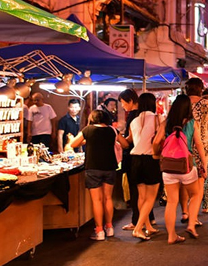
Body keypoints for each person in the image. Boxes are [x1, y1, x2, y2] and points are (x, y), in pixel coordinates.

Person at [68, 111, 128, 241]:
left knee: (97, 200)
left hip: (93, 168)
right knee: (108, 198)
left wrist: (85, 141)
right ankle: (110, 228)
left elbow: (73, 144)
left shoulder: (88, 130)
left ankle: (99, 231)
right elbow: (125, 144)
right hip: (110, 167)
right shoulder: (112, 130)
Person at [156, 95, 208, 244]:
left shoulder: (165, 123)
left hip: (168, 166)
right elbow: (199, 144)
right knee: (196, 194)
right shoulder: (192, 123)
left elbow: (157, 141)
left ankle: (171, 235)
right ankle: (191, 224)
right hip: (185, 166)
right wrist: (203, 165)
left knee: (172, 202)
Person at [126, 93, 162, 240]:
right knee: (150, 197)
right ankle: (139, 227)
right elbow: (159, 140)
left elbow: (131, 140)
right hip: (150, 159)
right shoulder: (158, 119)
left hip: (134, 160)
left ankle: (148, 226)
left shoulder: (134, 121)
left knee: (142, 196)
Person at [117, 89, 153, 231]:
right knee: (147, 192)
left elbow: (129, 140)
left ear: (131, 101)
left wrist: (118, 138)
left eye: (123, 103)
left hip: (135, 156)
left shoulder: (133, 116)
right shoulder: (147, 116)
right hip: (148, 156)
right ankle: (149, 220)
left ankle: (136, 221)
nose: (123, 106)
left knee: (136, 191)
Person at [186, 78, 208, 220]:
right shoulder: (206, 104)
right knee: (200, 182)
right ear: (201, 89)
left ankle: (185, 212)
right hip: (202, 146)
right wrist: (205, 131)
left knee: (185, 182)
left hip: (184, 146)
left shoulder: (181, 103)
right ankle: (193, 218)